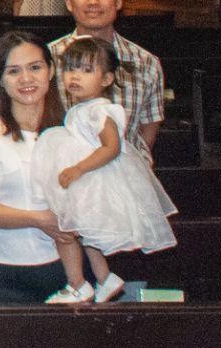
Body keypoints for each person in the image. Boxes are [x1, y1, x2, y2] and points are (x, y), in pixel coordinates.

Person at [33, 38, 176, 303]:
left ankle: (77, 283)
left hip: (94, 180)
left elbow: (112, 148)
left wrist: (78, 168)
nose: (76, 76)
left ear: (107, 79)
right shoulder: (82, 109)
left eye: (87, 70)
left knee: (67, 232)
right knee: (86, 234)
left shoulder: (100, 111)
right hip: (88, 179)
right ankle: (104, 278)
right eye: (71, 69)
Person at [0, 34, 72, 303]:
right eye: (13, 71)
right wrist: (37, 219)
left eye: (35, 67)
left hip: (66, 270)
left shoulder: (70, 133)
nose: (26, 79)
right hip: (1, 272)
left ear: (50, 71)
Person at [47, 0, 164, 158]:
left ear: (118, 2)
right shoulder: (47, 58)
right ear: (69, 3)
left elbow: (148, 130)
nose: (93, 1)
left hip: (125, 170)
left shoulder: (145, 62)